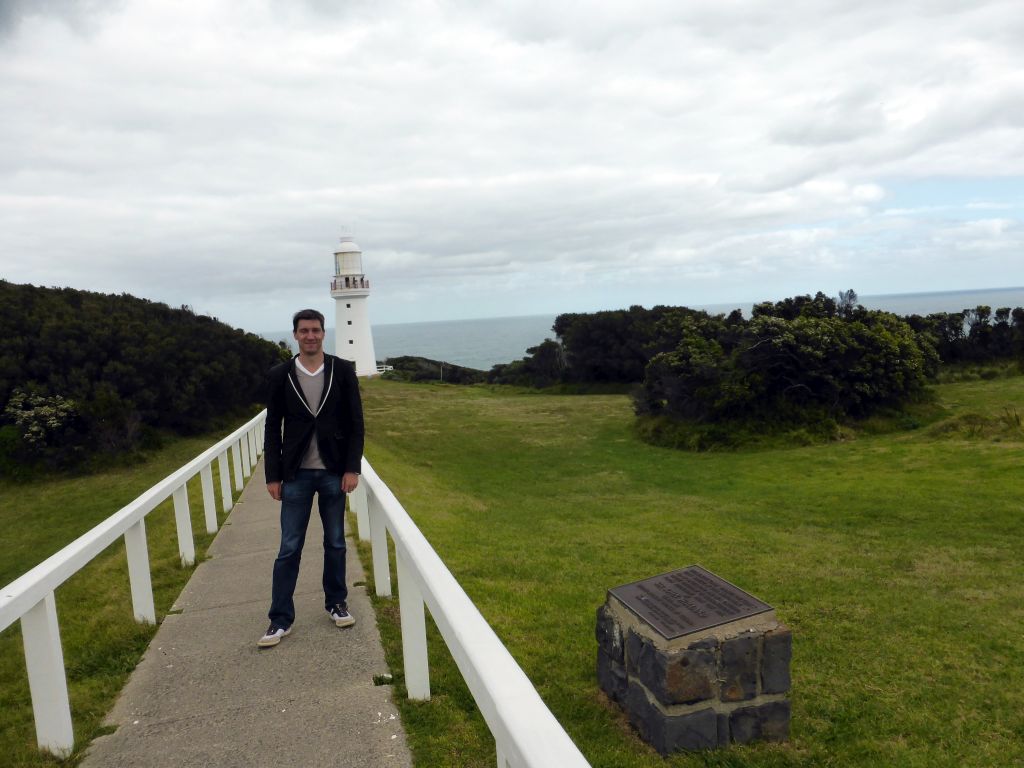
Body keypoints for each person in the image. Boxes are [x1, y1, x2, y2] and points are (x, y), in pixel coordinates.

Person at [257, 308, 365, 648]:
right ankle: (279, 619)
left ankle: (336, 602)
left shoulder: (342, 370)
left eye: (316, 330)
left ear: (323, 333)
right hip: (296, 475)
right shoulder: (280, 374)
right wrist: (272, 475)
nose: (310, 336)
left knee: (335, 541)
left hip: (333, 472)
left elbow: (355, 423)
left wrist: (352, 467)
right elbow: (273, 426)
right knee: (289, 547)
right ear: (295, 335)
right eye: (304, 331)